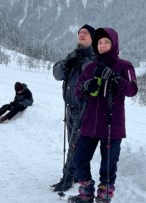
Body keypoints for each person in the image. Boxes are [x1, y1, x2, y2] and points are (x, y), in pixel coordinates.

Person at [68, 27, 138, 203]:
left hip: (112, 125)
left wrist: (115, 79)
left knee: (108, 164)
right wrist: (85, 87)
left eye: (107, 42)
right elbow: (78, 91)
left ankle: (104, 198)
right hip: (90, 123)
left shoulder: (125, 66)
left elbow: (132, 90)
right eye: (99, 42)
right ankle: (86, 192)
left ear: (114, 44)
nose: (103, 45)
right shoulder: (90, 67)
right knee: (78, 159)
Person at [51, 24, 96, 193]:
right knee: (74, 144)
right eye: (80, 33)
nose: (82, 35)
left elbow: (90, 76)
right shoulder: (73, 55)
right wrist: (65, 64)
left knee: (74, 146)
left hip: (84, 109)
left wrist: (83, 60)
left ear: (92, 38)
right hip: (69, 107)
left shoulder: (93, 58)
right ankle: (77, 175)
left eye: (86, 33)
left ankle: (67, 179)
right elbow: (57, 74)